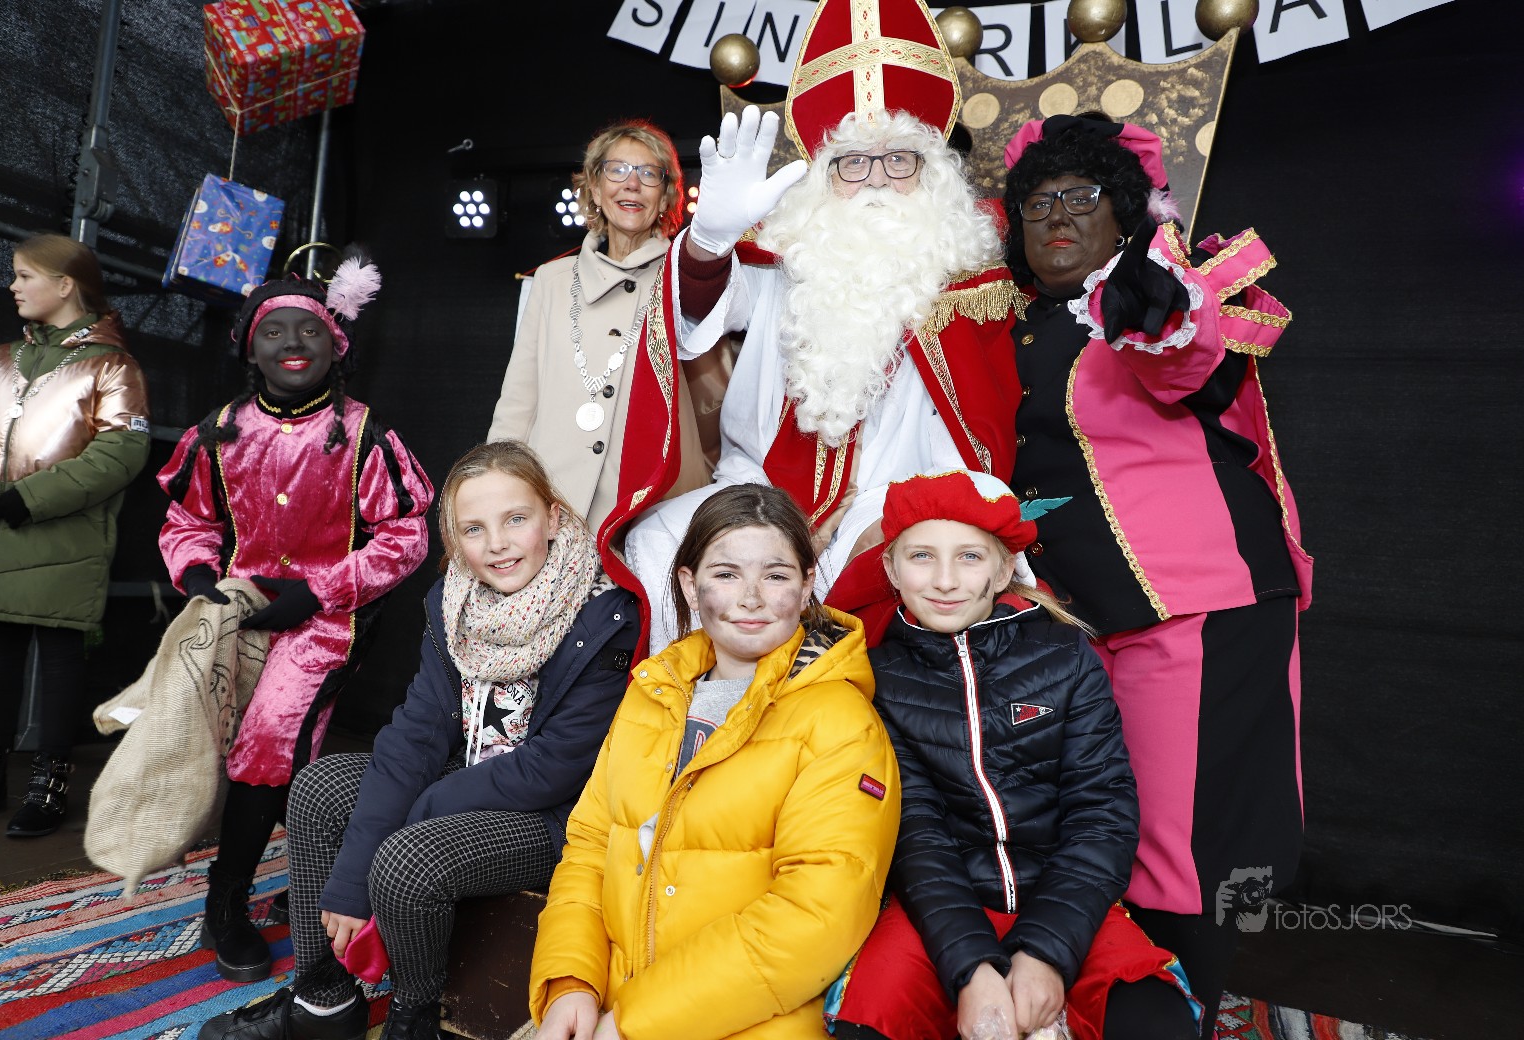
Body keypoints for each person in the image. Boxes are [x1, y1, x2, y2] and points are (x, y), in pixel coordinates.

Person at [1000, 115, 1307, 1039]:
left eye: (1081, 197)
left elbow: (1190, 361)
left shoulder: (1150, 295)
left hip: (1195, 603)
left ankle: (1182, 1019)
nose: (1059, 216)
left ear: (1125, 211)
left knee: (1184, 850)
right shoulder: (1015, 323)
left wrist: (1159, 309)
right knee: (1104, 835)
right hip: (1087, 623)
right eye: (1038, 203)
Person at [604, 0, 1027, 652]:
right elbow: (694, 315)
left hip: (889, 505)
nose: (877, 182)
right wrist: (709, 242)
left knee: (919, 557)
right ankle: (685, 709)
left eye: (899, 160)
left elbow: (974, 450)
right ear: (822, 177)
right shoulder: (781, 263)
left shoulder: (966, 288)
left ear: (933, 174)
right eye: (853, 162)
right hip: (754, 491)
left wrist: (901, 518)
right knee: (661, 542)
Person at [195, 440, 638, 1040]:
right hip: (465, 774)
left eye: (516, 519)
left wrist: (415, 815)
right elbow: (417, 735)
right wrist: (350, 879)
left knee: (407, 858)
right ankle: (323, 1000)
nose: (498, 544)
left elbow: (553, 768)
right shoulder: (453, 601)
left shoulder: (605, 615)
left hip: (552, 816)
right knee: (320, 787)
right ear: (454, 540)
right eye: (474, 529)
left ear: (553, 518)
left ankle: (415, 1015)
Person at [825, 471, 1198, 1040]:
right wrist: (972, 968)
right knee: (864, 1025)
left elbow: (1102, 813)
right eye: (922, 556)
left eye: (969, 556)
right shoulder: (879, 679)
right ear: (892, 570)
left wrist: (1044, 952)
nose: (945, 580)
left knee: (1155, 1023)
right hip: (939, 906)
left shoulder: (1065, 657)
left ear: (1001, 572)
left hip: (1066, 895)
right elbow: (915, 835)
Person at [528, 483, 901, 1040]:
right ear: (689, 583)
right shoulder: (653, 695)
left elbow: (815, 917)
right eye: (726, 574)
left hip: (748, 1021)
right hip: (613, 1004)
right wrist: (570, 983)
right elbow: (589, 848)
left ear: (806, 587)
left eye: (775, 576)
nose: (750, 597)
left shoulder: (842, 723)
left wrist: (636, 1023)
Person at [158, 257, 433, 984]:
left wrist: (319, 593)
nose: (290, 341)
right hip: (237, 618)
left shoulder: (364, 434)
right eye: (272, 330)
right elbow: (189, 521)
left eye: (307, 329)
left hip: (322, 625)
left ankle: (225, 902)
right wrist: (198, 577)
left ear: (334, 346)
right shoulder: (219, 432)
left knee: (272, 737)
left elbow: (406, 535)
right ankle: (316, 873)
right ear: (249, 348)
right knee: (266, 750)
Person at [0, 233, 149, 838]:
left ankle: (50, 784)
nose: (13, 286)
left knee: (61, 657)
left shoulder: (113, 366)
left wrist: (31, 498)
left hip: (65, 540)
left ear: (65, 284)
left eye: (24, 275)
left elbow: (121, 452)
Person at [488, 119, 711, 534]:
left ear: (666, 196)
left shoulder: (685, 278)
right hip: (553, 503)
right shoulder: (552, 280)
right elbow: (518, 401)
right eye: (617, 170)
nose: (632, 184)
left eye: (648, 173)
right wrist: (495, 492)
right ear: (593, 187)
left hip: (654, 510)